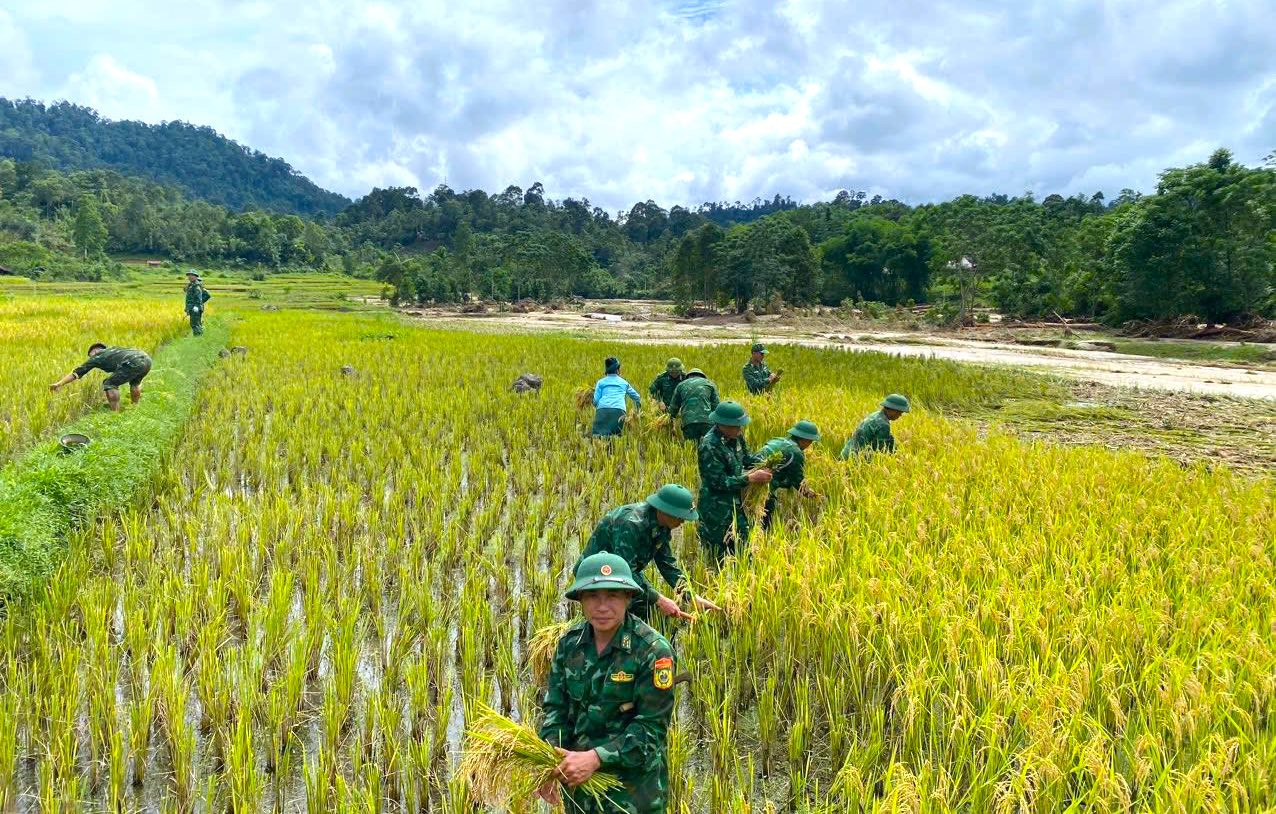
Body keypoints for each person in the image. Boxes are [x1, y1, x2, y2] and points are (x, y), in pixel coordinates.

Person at [538, 553, 676, 814]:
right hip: (579, 787)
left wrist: (596, 758)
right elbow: (556, 710)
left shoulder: (653, 651)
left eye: (613, 595)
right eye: (592, 596)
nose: (602, 606)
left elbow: (651, 729)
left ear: (628, 598)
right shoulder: (569, 645)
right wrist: (548, 763)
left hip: (632, 794)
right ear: (580, 600)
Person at [575, 485, 721, 623]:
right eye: (680, 516)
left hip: (620, 575)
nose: (683, 521)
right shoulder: (630, 524)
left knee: (654, 614)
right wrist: (659, 600)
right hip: (595, 576)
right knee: (627, 616)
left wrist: (691, 597)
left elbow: (667, 565)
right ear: (665, 511)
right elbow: (626, 571)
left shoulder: (663, 525)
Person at [696, 401, 771, 565]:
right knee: (717, 558)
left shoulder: (737, 437)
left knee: (744, 551)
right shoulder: (709, 445)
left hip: (737, 505)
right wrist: (749, 479)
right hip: (715, 509)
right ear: (722, 424)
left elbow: (747, 458)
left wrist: (766, 464)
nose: (740, 430)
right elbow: (718, 482)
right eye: (736, 426)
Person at [755, 420, 821, 532]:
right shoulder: (795, 452)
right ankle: (762, 539)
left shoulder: (779, 440)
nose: (810, 444)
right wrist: (815, 496)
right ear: (805, 439)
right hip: (763, 486)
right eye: (810, 441)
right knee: (765, 515)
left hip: (751, 478)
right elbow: (799, 483)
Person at [49, 343, 153, 412]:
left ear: (94, 351)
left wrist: (59, 384)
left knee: (109, 383)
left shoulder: (98, 356)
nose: (91, 358)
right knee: (135, 383)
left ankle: (115, 414)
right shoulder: (114, 349)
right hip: (147, 359)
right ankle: (135, 407)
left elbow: (76, 373)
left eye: (90, 355)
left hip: (133, 362)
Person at [840, 394, 910, 458]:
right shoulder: (883, 425)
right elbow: (880, 450)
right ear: (892, 409)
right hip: (855, 458)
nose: (900, 415)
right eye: (899, 412)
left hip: (846, 453)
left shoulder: (875, 415)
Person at [592, 357, 641, 438]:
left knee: (598, 437)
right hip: (619, 411)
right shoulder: (624, 383)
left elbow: (595, 401)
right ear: (617, 370)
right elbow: (637, 397)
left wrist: (599, 408)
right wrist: (637, 411)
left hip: (602, 411)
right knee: (617, 438)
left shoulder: (600, 382)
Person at [667, 368, 719, 443]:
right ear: (702, 376)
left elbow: (673, 408)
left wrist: (669, 420)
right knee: (709, 446)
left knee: (692, 447)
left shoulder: (681, 385)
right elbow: (716, 407)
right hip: (707, 421)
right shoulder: (709, 384)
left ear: (688, 377)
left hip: (688, 422)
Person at [184, 270, 211, 336]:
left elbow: (199, 297)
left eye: (191, 275)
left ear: (195, 277)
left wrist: (197, 305)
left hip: (195, 308)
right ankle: (199, 336)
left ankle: (198, 337)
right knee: (195, 323)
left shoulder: (197, 286)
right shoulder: (191, 285)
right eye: (189, 275)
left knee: (195, 323)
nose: (190, 277)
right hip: (192, 307)